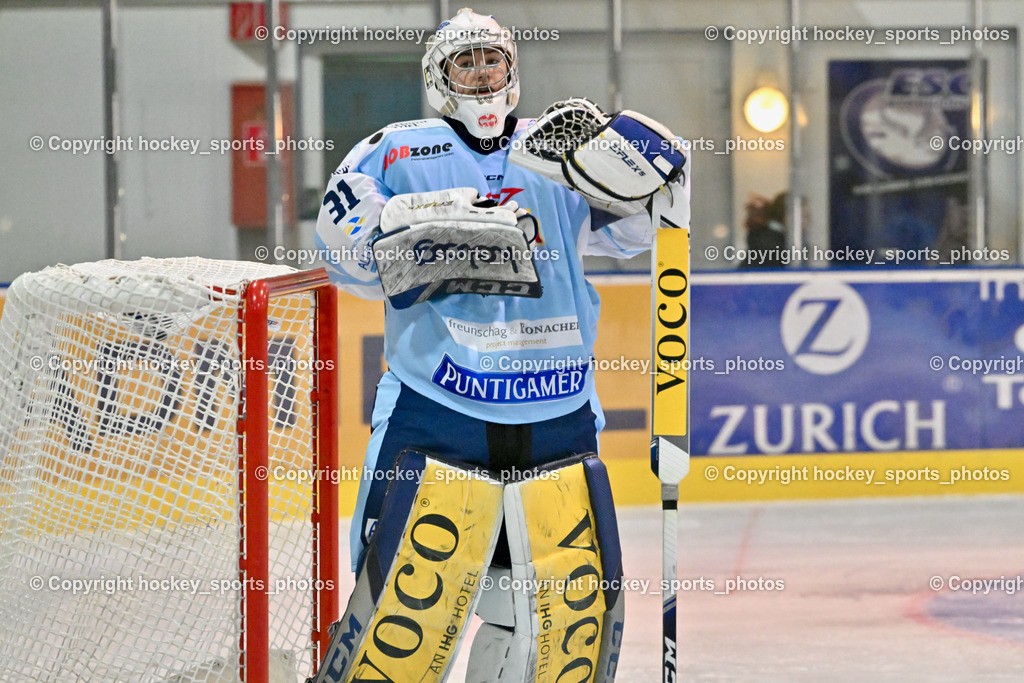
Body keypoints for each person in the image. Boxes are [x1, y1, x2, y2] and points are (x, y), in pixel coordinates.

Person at [313, 8, 686, 682]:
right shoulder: (393, 149)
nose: (482, 73)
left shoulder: (562, 150)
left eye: (493, 59)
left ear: (513, 71)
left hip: (555, 410)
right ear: (439, 78)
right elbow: (348, 254)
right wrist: (427, 221)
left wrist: (654, 181)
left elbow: (629, 233)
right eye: (466, 62)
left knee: (539, 615)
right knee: (401, 601)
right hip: (438, 407)